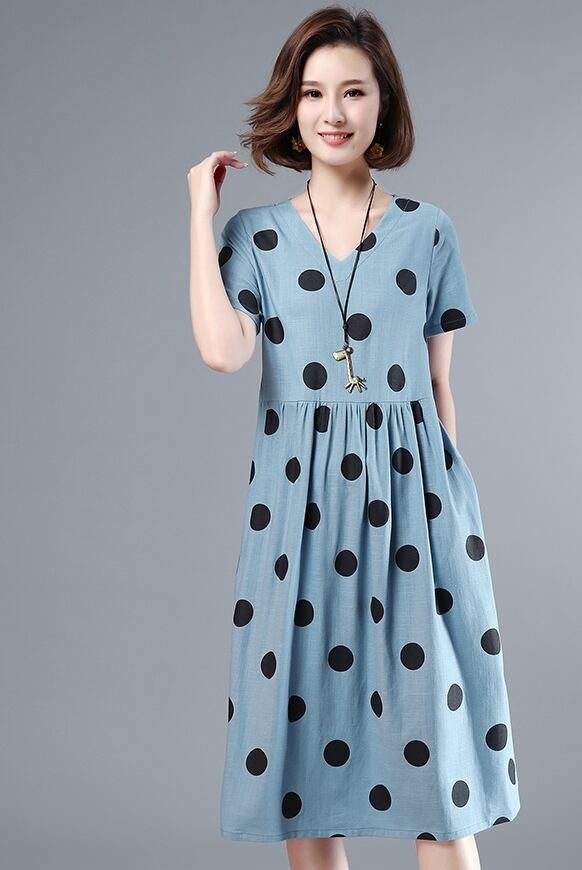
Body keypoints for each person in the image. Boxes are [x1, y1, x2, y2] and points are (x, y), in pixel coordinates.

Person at [187, 6, 521, 868]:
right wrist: (199, 213)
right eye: (312, 93)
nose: (331, 111)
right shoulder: (254, 237)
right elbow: (223, 352)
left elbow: (438, 388)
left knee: (438, 767)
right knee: (303, 766)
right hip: (296, 521)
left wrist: (446, 524)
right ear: (292, 107)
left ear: (383, 104)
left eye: (352, 91)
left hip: (413, 509)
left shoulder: (428, 229)